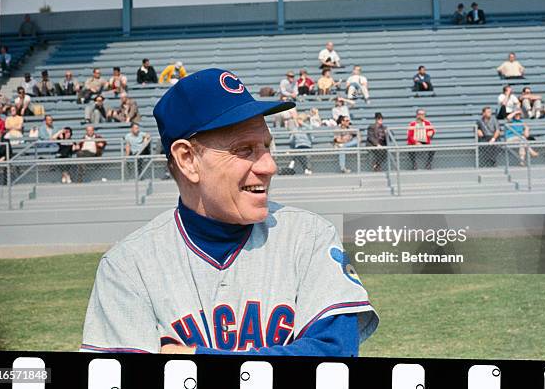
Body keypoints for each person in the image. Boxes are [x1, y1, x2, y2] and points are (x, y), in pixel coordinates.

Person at [81, 68, 378, 356]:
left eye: (266, 146)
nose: (269, 166)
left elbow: (335, 354)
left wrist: (195, 358)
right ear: (187, 160)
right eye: (245, 150)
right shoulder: (128, 267)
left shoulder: (310, 237)